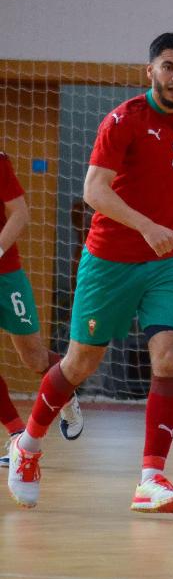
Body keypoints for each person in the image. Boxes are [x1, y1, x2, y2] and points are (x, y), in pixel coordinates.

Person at [6, 32, 173, 511]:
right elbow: (94, 190)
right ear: (150, 70)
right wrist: (148, 226)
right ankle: (27, 446)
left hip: (164, 263)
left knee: (168, 356)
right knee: (79, 365)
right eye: (168, 67)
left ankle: (151, 478)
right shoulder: (123, 120)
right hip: (109, 260)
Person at [0, 152, 83, 470]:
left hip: (7, 277)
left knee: (34, 358)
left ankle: (67, 392)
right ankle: (19, 436)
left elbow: (20, 215)